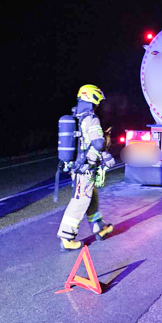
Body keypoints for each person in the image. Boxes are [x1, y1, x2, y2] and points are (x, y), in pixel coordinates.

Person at [57, 85, 118, 251]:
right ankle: (66, 237)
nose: (99, 104)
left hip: (82, 167)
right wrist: (106, 156)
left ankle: (100, 229)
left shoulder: (79, 116)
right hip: (84, 168)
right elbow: (97, 142)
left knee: (92, 198)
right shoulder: (91, 118)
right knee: (80, 201)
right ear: (92, 98)